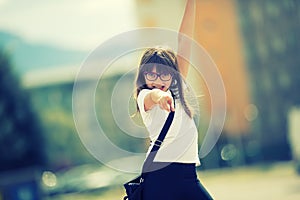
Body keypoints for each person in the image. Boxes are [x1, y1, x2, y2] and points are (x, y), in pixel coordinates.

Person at [134, 0, 213, 199]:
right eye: (151, 75)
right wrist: (160, 97)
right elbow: (154, 95)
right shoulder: (145, 97)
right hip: (161, 177)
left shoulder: (179, 91)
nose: (157, 80)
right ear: (143, 77)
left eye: (163, 74)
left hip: (188, 176)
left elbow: (184, 41)